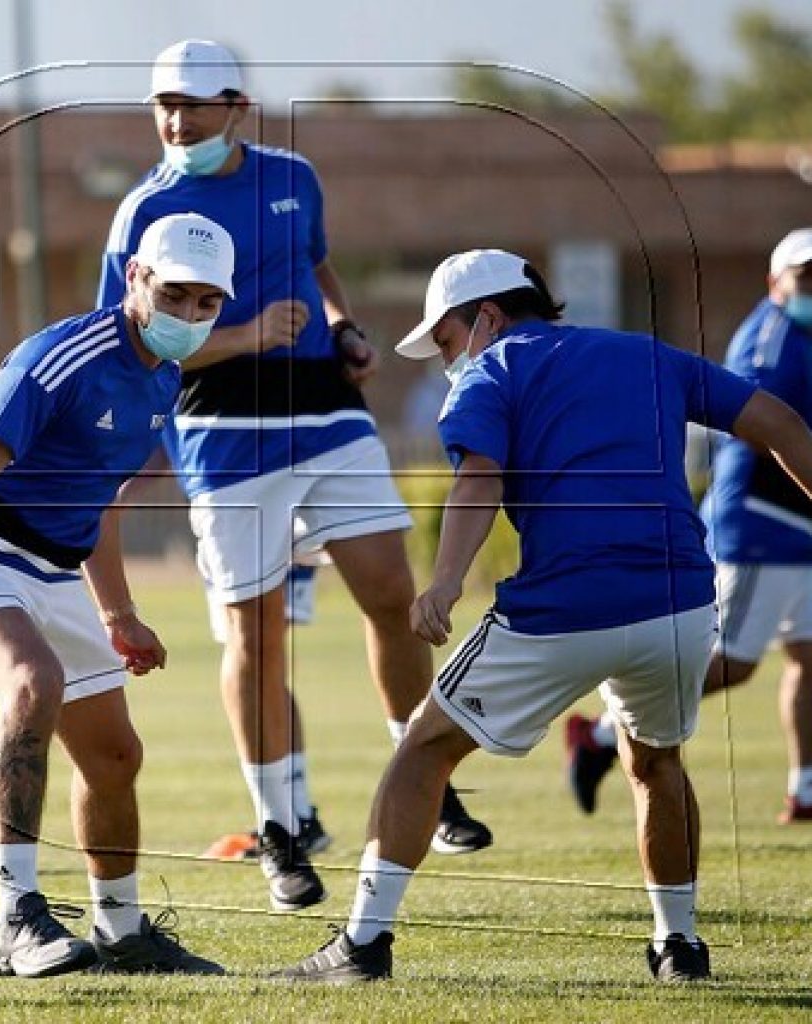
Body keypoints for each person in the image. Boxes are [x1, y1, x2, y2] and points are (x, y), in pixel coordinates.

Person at [273, 248, 812, 984]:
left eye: (445, 338)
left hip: (563, 607)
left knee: (423, 749)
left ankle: (362, 945)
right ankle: (678, 946)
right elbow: (779, 422)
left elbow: (479, 481)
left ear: (487, 316)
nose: (446, 356)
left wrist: (443, 584)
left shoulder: (491, 372)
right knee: (655, 762)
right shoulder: (646, 353)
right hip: (681, 605)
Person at [97, 39, 490, 910]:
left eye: (194, 105)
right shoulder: (142, 212)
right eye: (165, 103)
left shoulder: (294, 177)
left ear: (236, 105)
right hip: (225, 435)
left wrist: (344, 326)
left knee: (393, 593)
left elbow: (316, 266)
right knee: (259, 636)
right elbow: (129, 332)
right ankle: (279, 825)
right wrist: (240, 337)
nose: (177, 120)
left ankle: (422, 770)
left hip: (328, 413)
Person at [0, 213, 233, 979]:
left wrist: (116, 614)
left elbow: (100, 502)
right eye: (175, 294)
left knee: (116, 755)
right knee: (34, 683)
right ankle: (15, 922)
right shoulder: (61, 356)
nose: (189, 316)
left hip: (56, 567)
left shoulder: (164, 375)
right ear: (135, 281)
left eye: (206, 303)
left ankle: (120, 931)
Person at [566, 228, 812, 823]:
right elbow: (763, 434)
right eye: (805, 277)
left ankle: (805, 789)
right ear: (775, 282)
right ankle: (600, 734)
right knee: (734, 661)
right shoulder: (772, 338)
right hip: (762, 523)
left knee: (809, 655)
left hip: (800, 520)